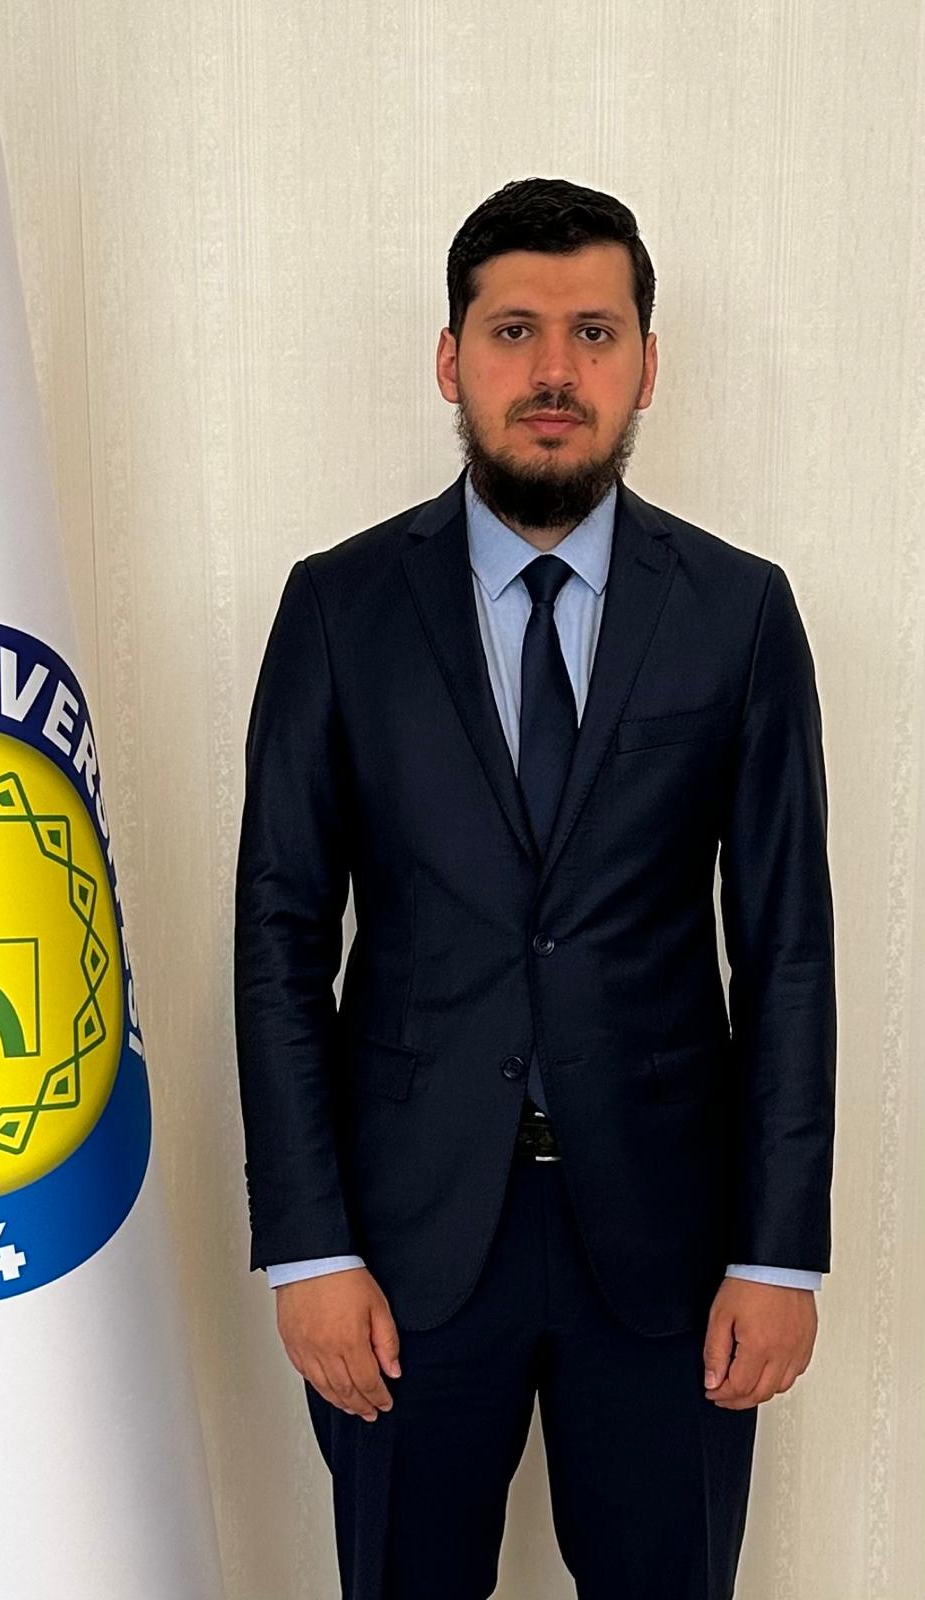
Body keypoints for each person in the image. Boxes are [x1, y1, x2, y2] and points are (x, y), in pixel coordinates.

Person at [233, 176, 836, 1600]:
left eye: (593, 333)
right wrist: (306, 1247)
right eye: (514, 331)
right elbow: (279, 938)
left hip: (671, 1249)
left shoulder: (739, 613)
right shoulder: (340, 608)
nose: (554, 371)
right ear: (452, 359)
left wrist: (779, 1257)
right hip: (404, 1243)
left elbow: (788, 948)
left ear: (645, 365)